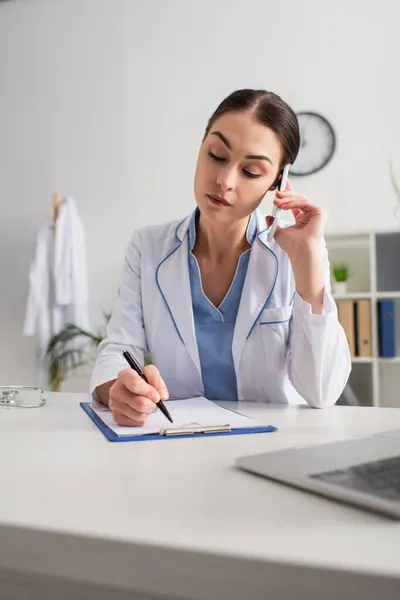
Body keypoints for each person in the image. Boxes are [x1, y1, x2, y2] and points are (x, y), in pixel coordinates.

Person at [90, 89, 351, 426]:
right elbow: (118, 349)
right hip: (178, 441)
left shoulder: (296, 251)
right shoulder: (148, 247)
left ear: (278, 181)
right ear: (201, 147)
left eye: (252, 172)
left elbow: (322, 392)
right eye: (216, 154)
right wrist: (119, 390)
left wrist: (311, 277)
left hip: (270, 447)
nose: (224, 181)